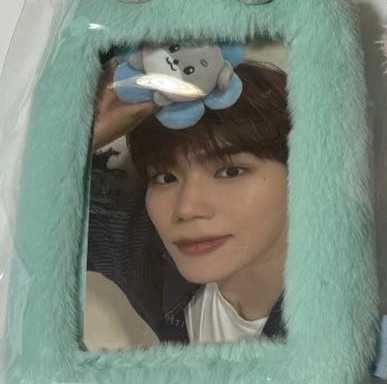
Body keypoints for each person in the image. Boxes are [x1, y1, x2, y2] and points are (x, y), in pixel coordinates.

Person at [87, 58, 290, 345]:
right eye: (165, 177)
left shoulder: (343, 317)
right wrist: (86, 135)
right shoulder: (154, 258)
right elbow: (37, 223)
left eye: (230, 172)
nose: (186, 208)